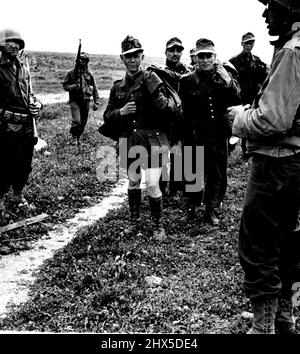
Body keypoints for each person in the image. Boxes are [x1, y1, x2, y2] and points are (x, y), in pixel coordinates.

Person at [227, 0, 300, 334]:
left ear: (290, 9)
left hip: (276, 162)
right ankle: (284, 317)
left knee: (258, 243)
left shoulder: (291, 52)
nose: (264, 14)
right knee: (288, 240)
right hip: (294, 163)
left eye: (271, 6)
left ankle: (263, 327)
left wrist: (240, 118)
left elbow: (273, 119)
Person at [102, 35, 177, 239]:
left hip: (153, 140)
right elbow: (107, 115)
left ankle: (158, 226)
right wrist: (121, 112)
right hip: (130, 141)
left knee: (152, 184)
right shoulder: (118, 87)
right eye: (128, 56)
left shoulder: (152, 79)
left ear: (142, 56)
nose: (133, 60)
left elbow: (168, 110)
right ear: (122, 59)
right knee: (133, 182)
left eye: (136, 55)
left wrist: (157, 97)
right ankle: (134, 222)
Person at [179, 38, 240, 225]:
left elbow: (236, 98)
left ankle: (211, 210)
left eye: (209, 56)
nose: (205, 60)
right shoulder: (187, 80)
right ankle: (191, 209)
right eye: (201, 56)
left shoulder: (223, 77)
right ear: (195, 58)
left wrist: (228, 81)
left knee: (216, 174)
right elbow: (184, 111)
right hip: (195, 133)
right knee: (192, 173)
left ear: (215, 57)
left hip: (218, 134)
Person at [0, 28, 42, 214]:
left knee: (24, 163)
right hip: (4, 126)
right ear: (1, 44)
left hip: (26, 125)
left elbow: (30, 95)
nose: (15, 46)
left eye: (18, 43)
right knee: (5, 164)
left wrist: (37, 105)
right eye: (11, 42)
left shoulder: (23, 68)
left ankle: (18, 195)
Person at [230, 32, 268, 160]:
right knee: (234, 125)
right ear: (242, 44)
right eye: (247, 43)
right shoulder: (233, 61)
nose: (249, 45)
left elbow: (265, 79)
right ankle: (230, 150)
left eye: (251, 43)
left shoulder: (257, 61)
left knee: (249, 124)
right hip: (239, 99)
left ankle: (247, 152)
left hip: (252, 99)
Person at [160, 37, 189, 198]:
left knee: (178, 153)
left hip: (181, 118)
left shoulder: (188, 71)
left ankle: (174, 190)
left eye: (178, 50)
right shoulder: (158, 72)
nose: (175, 53)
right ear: (166, 52)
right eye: (172, 50)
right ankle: (161, 188)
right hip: (164, 118)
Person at [63, 51, 99, 146]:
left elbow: (94, 88)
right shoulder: (71, 73)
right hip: (74, 101)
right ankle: (74, 138)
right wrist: (74, 86)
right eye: (80, 59)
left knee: (83, 122)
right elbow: (65, 86)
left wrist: (96, 102)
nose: (82, 62)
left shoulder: (89, 74)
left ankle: (78, 137)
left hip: (85, 101)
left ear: (87, 61)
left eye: (84, 60)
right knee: (77, 121)